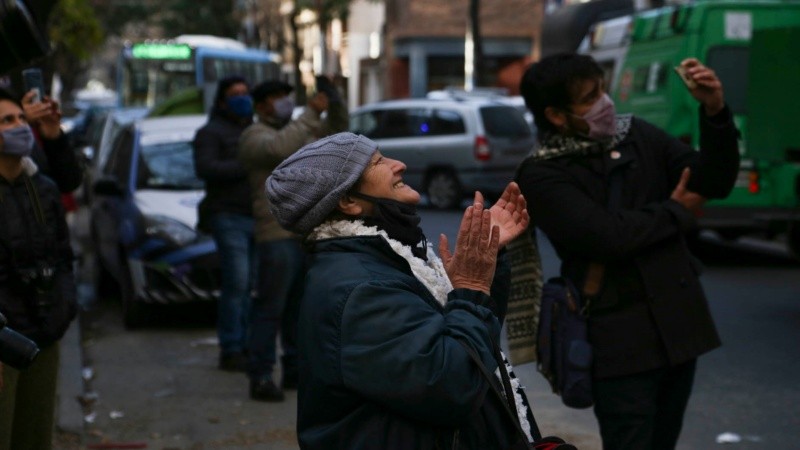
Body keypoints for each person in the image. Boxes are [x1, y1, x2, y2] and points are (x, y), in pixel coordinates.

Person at [515, 53, 740, 449]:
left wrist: (714, 109)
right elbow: (607, 237)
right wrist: (676, 210)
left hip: (678, 327)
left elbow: (713, 181)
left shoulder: (636, 135)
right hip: (618, 341)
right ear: (556, 115)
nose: (606, 103)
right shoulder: (541, 174)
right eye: (589, 97)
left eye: (602, 88)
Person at [265, 132, 541, 449]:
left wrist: (475, 276)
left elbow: (473, 346)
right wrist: (469, 288)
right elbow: (453, 385)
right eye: (379, 162)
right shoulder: (361, 288)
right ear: (348, 202)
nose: (400, 164)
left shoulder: (384, 262)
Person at [238, 77, 348, 401]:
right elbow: (280, 147)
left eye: (287, 96)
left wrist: (335, 102)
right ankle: (260, 374)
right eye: (276, 97)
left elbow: (339, 137)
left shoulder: (302, 129)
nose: (284, 102)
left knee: (299, 310)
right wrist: (312, 112)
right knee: (269, 308)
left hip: (304, 233)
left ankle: (294, 371)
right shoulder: (254, 136)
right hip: (274, 235)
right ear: (260, 106)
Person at [0, 88, 78, 449]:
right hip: (5, 338)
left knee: (34, 434)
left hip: (43, 330)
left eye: (20, 119)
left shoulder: (40, 187)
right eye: (7, 121)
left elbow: (62, 255)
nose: (19, 128)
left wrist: (61, 309)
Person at [192, 76, 256, 372]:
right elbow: (206, 168)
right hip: (228, 215)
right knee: (237, 282)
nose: (242, 98)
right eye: (235, 94)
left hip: (257, 216)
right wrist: (246, 164)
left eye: (245, 93)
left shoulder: (254, 130)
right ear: (222, 100)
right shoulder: (210, 132)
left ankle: (246, 343)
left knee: (251, 285)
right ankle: (231, 347)